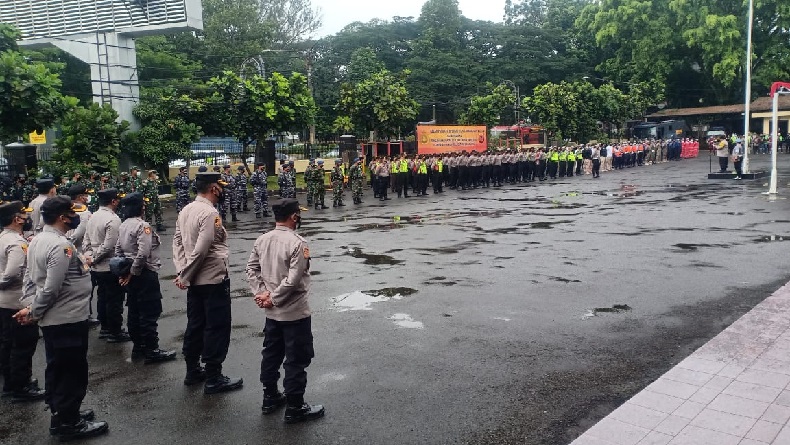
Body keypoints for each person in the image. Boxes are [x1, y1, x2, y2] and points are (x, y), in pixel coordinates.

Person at [14, 196, 108, 441]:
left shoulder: (39, 240)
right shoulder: (60, 246)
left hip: (58, 318)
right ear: (61, 217)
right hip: (66, 318)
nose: (74, 216)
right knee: (71, 371)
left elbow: (31, 280)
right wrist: (33, 312)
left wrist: (29, 306)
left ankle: (64, 412)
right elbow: (50, 288)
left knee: (58, 367)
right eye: (70, 213)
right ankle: (69, 423)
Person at [246, 198, 324, 423]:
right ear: (294, 217)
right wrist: (273, 298)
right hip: (293, 312)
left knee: (271, 353)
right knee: (296, 358)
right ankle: (296, 407)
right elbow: (293, 279)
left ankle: (270, 397)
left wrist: (262, 293)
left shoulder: (262, 239)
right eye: (298, 214)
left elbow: (252, 268)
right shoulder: (298, 243)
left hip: (272, 314)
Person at [172, 172, 243, 394]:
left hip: (194, 280)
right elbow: (202, 249)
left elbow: (177, 243)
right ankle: (213, 376)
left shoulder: (186, 209)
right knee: (216, 326)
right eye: (220, 187)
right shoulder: (209, 213)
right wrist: (185, 275)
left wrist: (182, 271)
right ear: (214, 188)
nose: (222, 190)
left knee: (196, 324)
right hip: (212, 279)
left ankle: (192, 370)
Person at [115, 193, 176, 364]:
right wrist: (133, 271)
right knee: (149, 312)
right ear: (140, 207)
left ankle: (138, 347)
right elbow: (143, 253)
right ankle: (152, 350)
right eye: (143, 205)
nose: (145, 207)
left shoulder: (124, 225)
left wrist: (124, 272)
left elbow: (118, 250)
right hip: (144, 273)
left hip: (131, 273)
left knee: (134, 311)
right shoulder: (142, 226)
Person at [0, 201, 45, 402]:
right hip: (17, 303)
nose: (27, 218)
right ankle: (21, 386)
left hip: (5, 303)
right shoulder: (17, 243)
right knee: (22, 346)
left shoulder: (4, 237)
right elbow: (11, 274)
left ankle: (11, 383)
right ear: (16, 219)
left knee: (8, 344)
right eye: (24, 215)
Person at [83, 189, 130, 344]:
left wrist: (90, 257)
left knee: (102, 297)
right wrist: (95, 258)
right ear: (113, 201)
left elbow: (86, 241)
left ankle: (105, 327)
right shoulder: (113, 219)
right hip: (109, 266)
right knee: (114, 300)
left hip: (96, 267)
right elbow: (110, 245)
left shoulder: (93, 216)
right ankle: (115, 331)